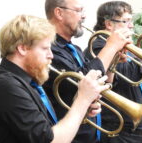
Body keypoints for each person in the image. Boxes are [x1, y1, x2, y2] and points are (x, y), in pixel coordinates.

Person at [0, 15, 109, 143]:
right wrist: (83, 100)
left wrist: (81, 109)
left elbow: (47, 131)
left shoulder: (25, 82)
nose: (51, 55)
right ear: (22, 48)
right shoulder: (5, 86)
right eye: (45, 48)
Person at [83, 1, 142, 143]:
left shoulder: (125, 46)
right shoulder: (99, 47)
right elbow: (128, 76)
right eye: (126, 21)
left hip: (135, 130)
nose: (131, 25)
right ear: (108, 24)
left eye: (131, 21)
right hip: (117, 130)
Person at [44, 0, 133, 142]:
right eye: (79, 11)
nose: (84, 16)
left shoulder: (75, 50)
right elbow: (82, 82)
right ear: (59, 13)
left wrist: (114, 58)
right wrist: (111, 47)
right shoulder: (50, 51)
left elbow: (104, 80)